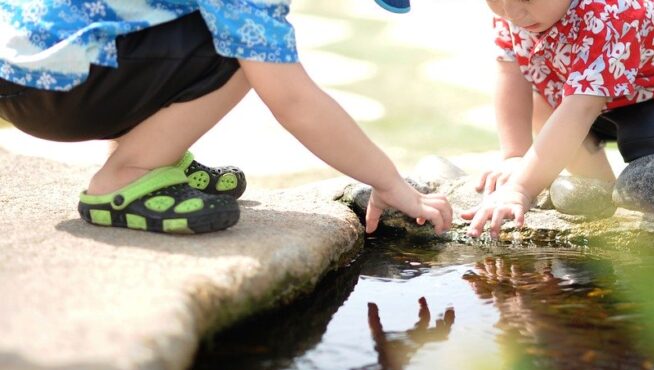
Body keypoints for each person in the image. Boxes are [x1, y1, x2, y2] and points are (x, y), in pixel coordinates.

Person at [0, 0, 452, 235]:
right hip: (58, 88)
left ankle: (154, 155)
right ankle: (127, 175)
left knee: (229, 35)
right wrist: (390, 183)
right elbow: (293, 102)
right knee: (248, 53)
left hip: (30, 70)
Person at [462, 0, 654, 238]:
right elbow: (512, 75)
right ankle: (601, 194)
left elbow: (580, 110)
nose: (511, 13)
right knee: (542, 103)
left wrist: (520, 189)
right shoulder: (519, 14)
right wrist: (514, 155)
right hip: (614, 97)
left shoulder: (607, 14)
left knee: (653, 143)